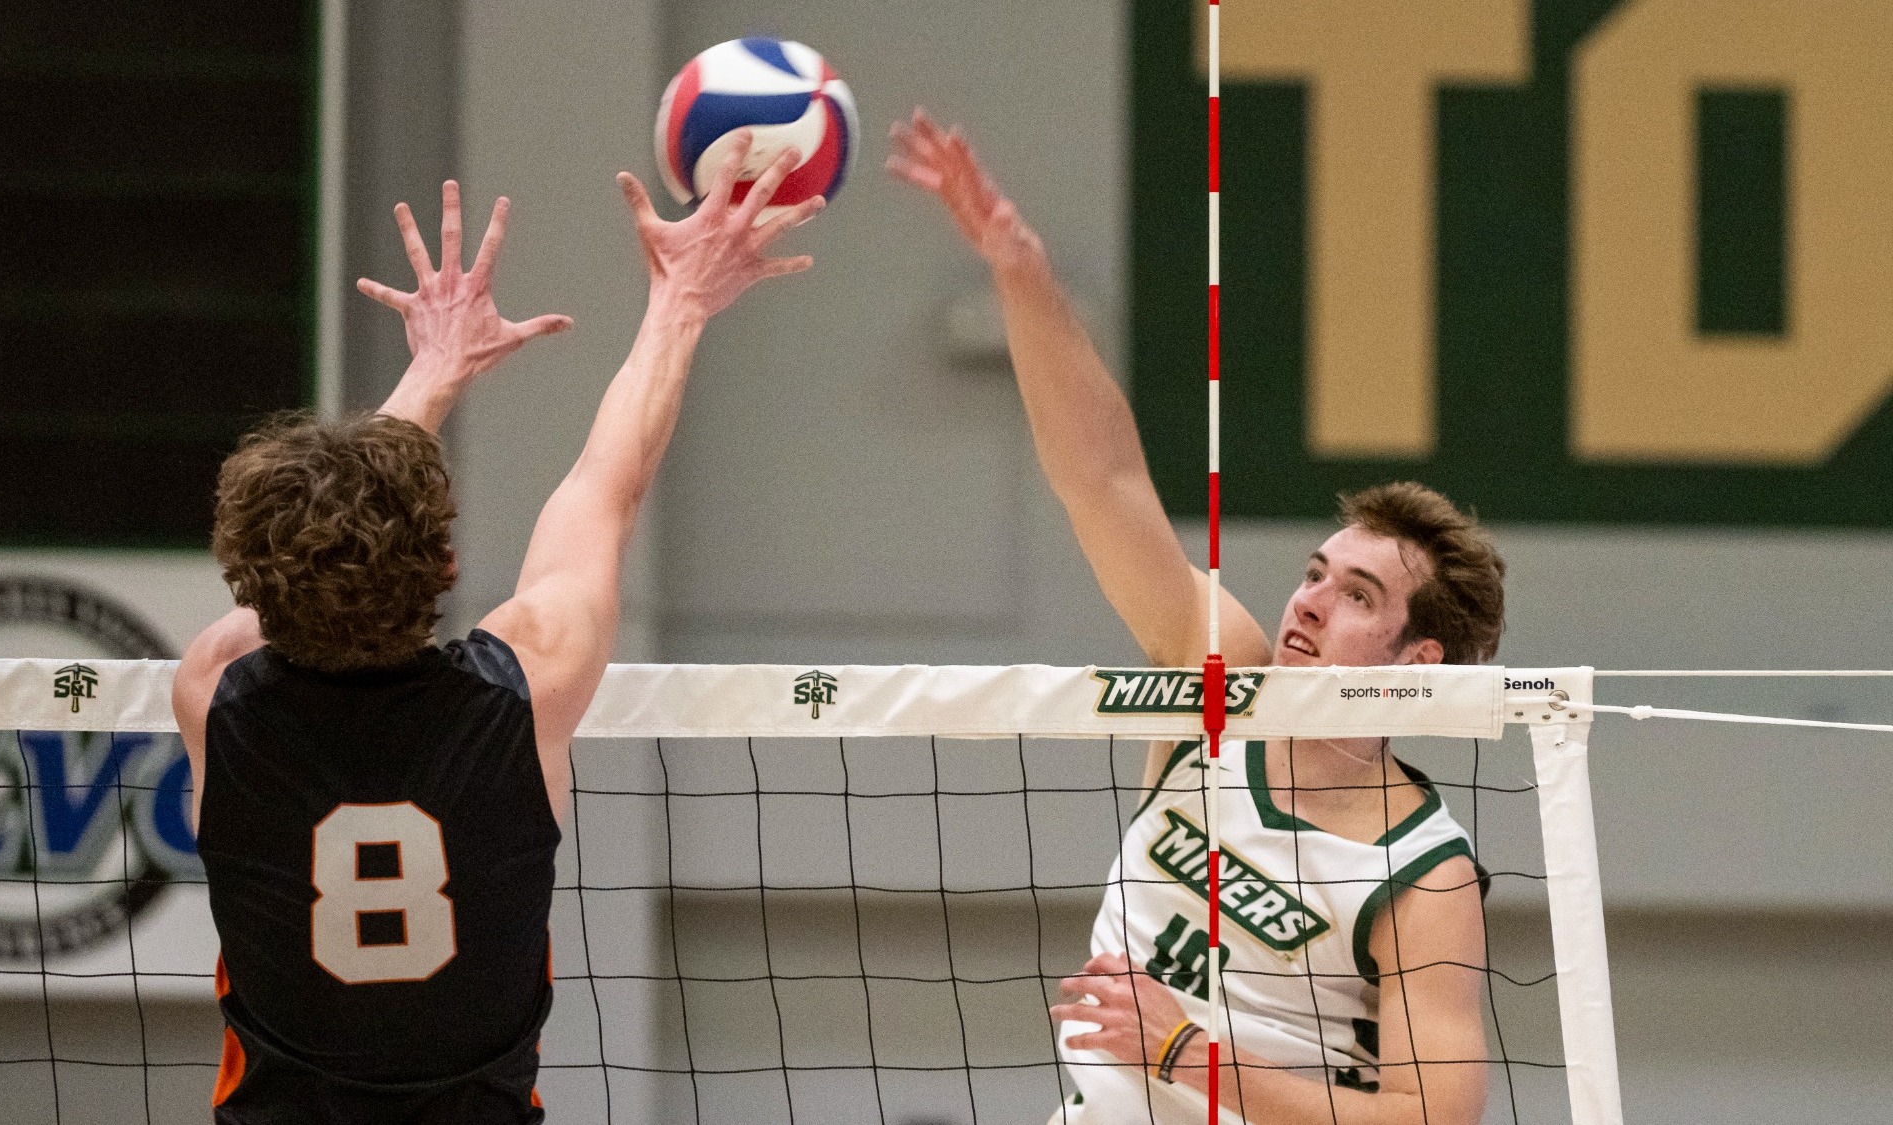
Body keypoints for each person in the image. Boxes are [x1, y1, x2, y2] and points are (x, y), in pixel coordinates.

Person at [171, 132, 822, 1124]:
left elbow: (298, 558)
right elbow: (608, 483)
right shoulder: (520, 690)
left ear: (250, 583)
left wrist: (431, 373)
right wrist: (680, 300)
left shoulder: (218, 693)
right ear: (444, 566)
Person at [889, 110, 1499, 1125]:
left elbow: (1430, 1119)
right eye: (1315, 572)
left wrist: (1185, 1055)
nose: (1307, 600)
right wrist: (1017, 268)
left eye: (1356, 596)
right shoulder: (1216, 675)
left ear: (1414, 658)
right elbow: (1102, 479)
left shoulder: (1421, 873)